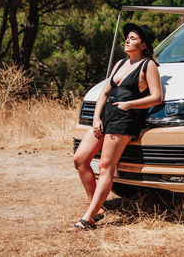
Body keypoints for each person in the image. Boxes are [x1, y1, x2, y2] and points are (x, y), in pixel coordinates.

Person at [69, 23, 163, 231]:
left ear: (144, 45)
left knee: (105, 167)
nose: (127, 40)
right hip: (106, 117)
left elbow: (157, 97)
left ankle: (88, 218)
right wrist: (96, 119)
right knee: (80, 158)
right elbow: (104, 93)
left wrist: (130, 104)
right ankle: (98, 207)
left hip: (125, 120)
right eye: (127, 37)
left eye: (133, 38)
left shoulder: (148, 66)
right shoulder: (120, 63)